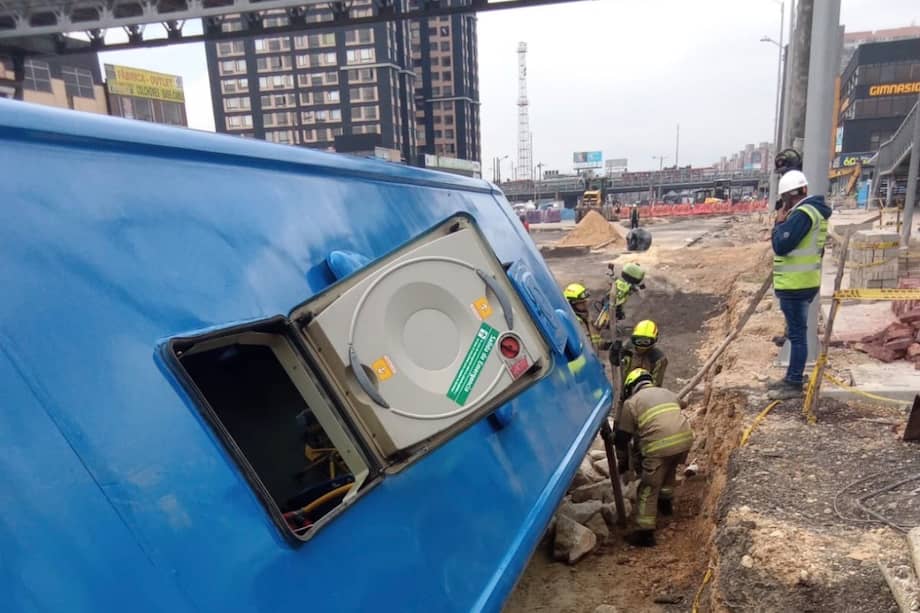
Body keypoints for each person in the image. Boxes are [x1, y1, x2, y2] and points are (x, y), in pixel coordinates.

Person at [768, 170, 832, 400]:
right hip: (804, 283)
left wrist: (778, 223)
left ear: (787, 196)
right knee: (796, 333)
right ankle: (791, 377)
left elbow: (780, 245)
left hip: (796, 285)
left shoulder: (802, 215)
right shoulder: (815, 212)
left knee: (797, 335)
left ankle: (793, 382)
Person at [614, 368, 693, 547]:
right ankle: (665, 506)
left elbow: (623, 438)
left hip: (659, 447)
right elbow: (683, 404)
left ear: (631, 387)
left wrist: (622, 460)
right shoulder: (666, 392)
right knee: (669, 471)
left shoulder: (631, 403)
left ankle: (645, 533)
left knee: (648, 488)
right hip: (684, 441)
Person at [617, 320, 668, 388]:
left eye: (646, 341)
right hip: (627, 389)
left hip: (646, 393)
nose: (642, 345)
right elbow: (618, 363)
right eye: (639, 341)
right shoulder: (628, 350)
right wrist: (615, 353)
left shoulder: (659, 359)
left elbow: (656, 385)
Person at [564, 282, 602, 350]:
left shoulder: (587, 318)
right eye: (581, 303)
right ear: (572, 304)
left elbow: (594, 341)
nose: (586, 305)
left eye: (585, 301)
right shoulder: (574, 323)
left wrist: (607, 345)